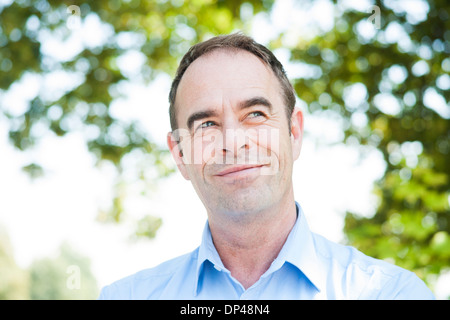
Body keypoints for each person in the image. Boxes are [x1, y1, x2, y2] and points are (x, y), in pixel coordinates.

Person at [98, 33, 435, 300]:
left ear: (295, 132)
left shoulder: (391, 294)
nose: (233, 141)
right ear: (180, 154)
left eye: (255, 115)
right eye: (207, 124)